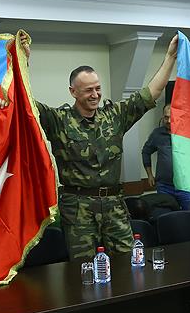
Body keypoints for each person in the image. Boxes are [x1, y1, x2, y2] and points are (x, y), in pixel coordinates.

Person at [19, 32, 178, 259]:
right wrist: (22, 61)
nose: (95, 95)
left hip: (114, 205)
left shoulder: (115, 116)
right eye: (88, 90)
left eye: (97, 88)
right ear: (73, 92)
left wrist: (170, 57)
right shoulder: (59, 120)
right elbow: (25, 103)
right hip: (78, 209)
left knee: (127, 262)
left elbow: (151, 92)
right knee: (82, 270)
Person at [142, 104, 190, 210]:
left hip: (186, 186)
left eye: (172, 117)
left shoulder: (189, 133)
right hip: (164, 186)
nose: (169, 121)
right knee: (167, 217)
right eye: (166, 117)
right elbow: (146, 152)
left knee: (189, 216)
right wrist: (150, 175)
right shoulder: (157, 134)